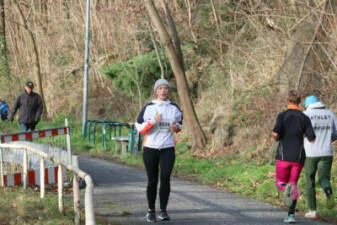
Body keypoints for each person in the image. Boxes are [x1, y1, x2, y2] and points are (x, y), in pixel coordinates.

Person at [135, 78, 182, 222]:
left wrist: (176, 128)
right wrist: (153, 121)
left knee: (166, 177)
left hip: (167, 148)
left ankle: (163, 210)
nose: (163, 90)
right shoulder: (149, 107)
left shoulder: (174, 108)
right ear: (156, 91)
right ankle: (150, 210)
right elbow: (140, 128)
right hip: (151, 148)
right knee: (152, 180)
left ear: (169, 91)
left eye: (166, 88)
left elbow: (180, 125)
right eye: (160, 88)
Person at [272, 90, 316, 224]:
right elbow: (312, 138)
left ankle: (286, 188)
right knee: (293, 184)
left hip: (283, 156)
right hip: (299, 157)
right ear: (299, 102)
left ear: (287, 101)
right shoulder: (304, 117)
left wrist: (278, 137)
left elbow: (275, 134)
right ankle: (290, 215)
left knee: (281, 183)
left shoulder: (282, 115)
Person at [303, 96, 336, 219]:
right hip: (327, 152)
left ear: (308, 105)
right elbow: (336, 133)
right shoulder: (330, 114)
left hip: (310, 153)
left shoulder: (305, 114)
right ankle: (328, 193)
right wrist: (328, 140)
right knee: (324, 179)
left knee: (310, 180)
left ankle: (313, 211)